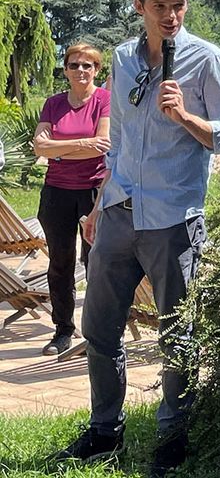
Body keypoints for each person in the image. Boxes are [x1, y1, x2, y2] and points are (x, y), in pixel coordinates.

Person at [56, 0, 220, 476]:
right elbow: (117, 142)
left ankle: (173, 438)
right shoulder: (121, 58)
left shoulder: (207, 61)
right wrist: (98, 205)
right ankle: (103, 431)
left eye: (179, 6)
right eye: (160, 7)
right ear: (139, 7)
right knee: (99, 328)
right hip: (119, 210)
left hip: (172, 218)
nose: (171, 16)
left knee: (176, 334)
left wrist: (186, 117)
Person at [31, 43, 111, 356]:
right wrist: (81, 143)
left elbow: (102, 146)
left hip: (93, 191)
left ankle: (97, 332)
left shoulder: (104, 100)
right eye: (74, 65)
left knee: (96, 263)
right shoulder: (53, 103)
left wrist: (59, 148)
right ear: (65, 70)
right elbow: (39, 148)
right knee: (60, 263)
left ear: (96, 70)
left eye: (87, 65)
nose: (81, 70)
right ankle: (63, 329)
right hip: (56, 193)